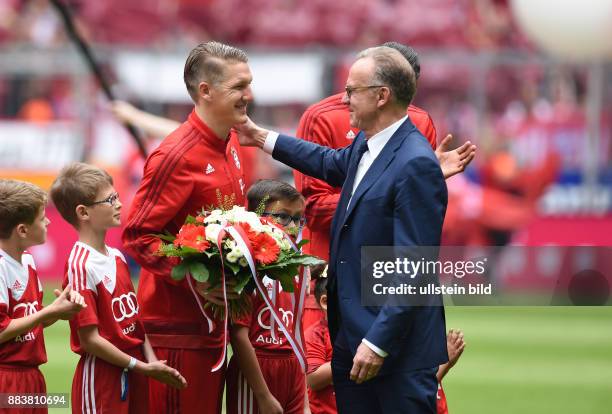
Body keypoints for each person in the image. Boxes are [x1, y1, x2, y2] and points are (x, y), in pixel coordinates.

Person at [238, 46, 448, 413]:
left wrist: (378, 342)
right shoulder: (369, 144)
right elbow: (326, 161)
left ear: (382, 96)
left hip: (392, 349)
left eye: (353, 90)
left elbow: (414, 266)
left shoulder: (416, 162)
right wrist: (260, 137)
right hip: (354, 337)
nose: (345, 98)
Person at [122, 41, 252, 413]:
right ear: (205, 91)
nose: (249, 95)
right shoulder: (175, 156)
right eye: (239, 87)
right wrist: (195, 279)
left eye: (249, 84)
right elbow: (137, 235)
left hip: (211, 325)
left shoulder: (229, 141)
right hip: (175, 333)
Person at [50, 163, 186, 413]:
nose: (119, 204)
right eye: (110, 199)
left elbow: (134, 323)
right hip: (103, 378)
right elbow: (90, 340)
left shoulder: (117, 257)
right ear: (83, 212)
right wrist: (142, 366)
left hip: (135, 369)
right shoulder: (80, 265)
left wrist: (152, 362)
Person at [305, 270, 466, 414]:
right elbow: (313, 379)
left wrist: (445, 363)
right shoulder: (317, 334)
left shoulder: (378, 333)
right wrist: (364, 355)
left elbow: (411, 386)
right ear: (325, 302)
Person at [0, 179, 85, 413]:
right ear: (23, 230)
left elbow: (31, 319)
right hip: (6, 379)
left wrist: (58, 310)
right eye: (41, 218)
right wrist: (49, 312)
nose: (48, 221)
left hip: (32, 378)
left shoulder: (27, 259)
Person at [226, 179, 310, 414]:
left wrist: (303, 397)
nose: (292, 227)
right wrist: (262, 395)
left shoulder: (299, 267)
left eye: (297, 219)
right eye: (283, 217)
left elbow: (296, 330)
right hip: (257, 367)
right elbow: (238, 335)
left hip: (292, 368)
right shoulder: (245, 266)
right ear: (256, 217)